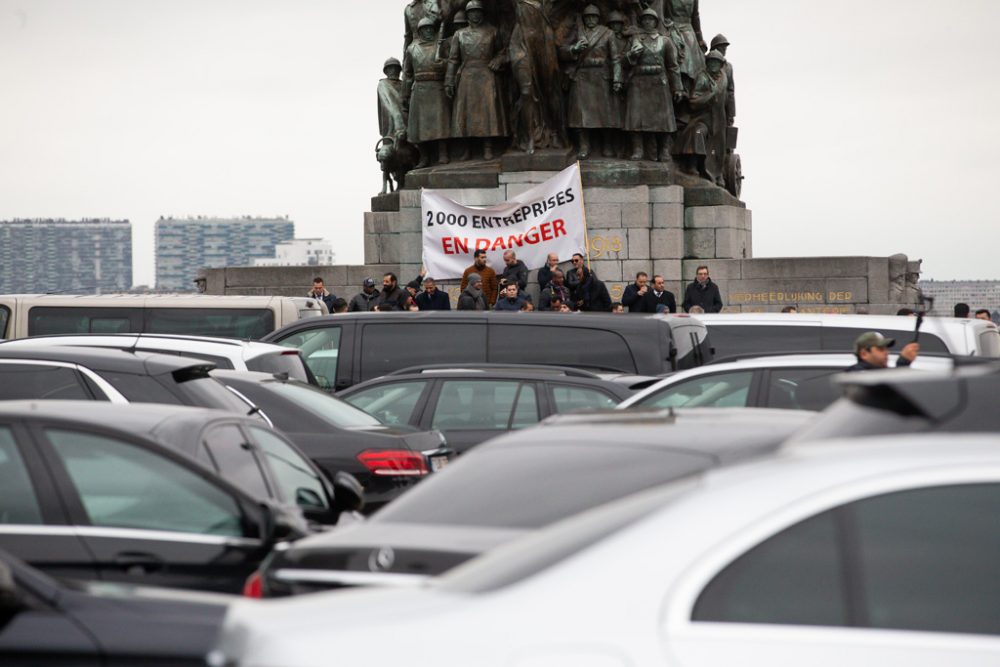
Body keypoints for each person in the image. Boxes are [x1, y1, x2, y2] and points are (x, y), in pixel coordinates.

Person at [445, 1, 508, 161]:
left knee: (488, 113)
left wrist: (498, 59)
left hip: (486, 74)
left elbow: (504, 50)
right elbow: (453, 60)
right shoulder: (460, 35)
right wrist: (449, 80)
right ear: (467, 15)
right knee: (466, 113)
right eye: (472, 12)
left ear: (482, 13)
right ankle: (467, 149)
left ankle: (488, 147)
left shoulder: (493, 31)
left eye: (477, 12)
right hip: (466, 76)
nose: (475, 15)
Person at [559, 4, 623, 160]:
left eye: (594, 16)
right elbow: (561, 50)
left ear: (598, 18)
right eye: (588, 17)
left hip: (601, 76)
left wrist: (617, 78)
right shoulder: (577, 33)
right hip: (582, 76)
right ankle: (584, 146)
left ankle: (607, 145)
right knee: (580, 115)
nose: (591, 19)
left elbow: (615, 58)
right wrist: (574, 48)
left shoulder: (607, 34)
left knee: (605, 114)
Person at [404, 17, 452, 167]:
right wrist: (405, 94)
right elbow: (407, 74)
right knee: (419, 126)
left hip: (437, 86)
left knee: (440, 123)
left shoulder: (441, 46)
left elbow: (451, 63)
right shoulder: (412, 49)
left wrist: (443, 64)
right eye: (425, 29)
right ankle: (424, 157)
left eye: (431, 28)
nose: (428, 31)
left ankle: (443, 153)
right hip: (419, 89)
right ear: (419, 31)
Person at [845, 332, 919, 372]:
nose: (887, 352)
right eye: (880, 349)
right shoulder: (856, 374)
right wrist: (903, 363)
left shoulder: (882, 372)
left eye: (886, 349)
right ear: (864, 354)